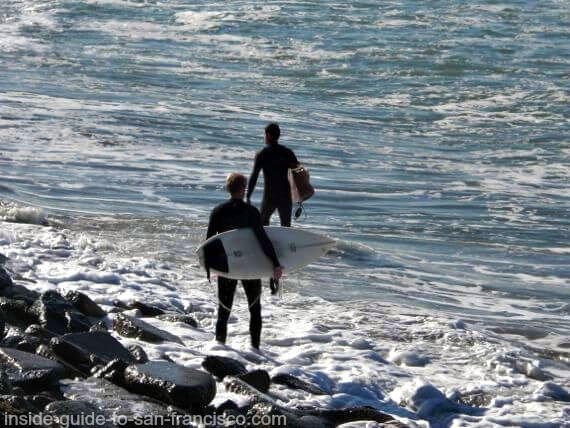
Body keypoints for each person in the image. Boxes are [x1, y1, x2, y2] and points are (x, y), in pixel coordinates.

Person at [206, 173, 282, 350]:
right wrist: (275, 264)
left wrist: (211, 268)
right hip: (249, 266)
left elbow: (209, 242)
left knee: (223, 310)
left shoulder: (218, 211)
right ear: (243, 189)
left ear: (228, 188)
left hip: (228, 266)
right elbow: (263, 241)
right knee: (254, 309)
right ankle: (255, 349)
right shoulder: (250, 212)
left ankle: (219, 349)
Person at [246, 123, 298, 294]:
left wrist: (248, 196)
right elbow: (299, 174)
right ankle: (276, 274)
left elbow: (254, 176)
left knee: (263, 232)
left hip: (269, 198)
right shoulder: (287, 152)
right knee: (285, 232)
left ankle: (267, 266)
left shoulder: (262, 154)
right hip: (285, 198)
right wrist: (300, 197)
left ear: (268, 135)